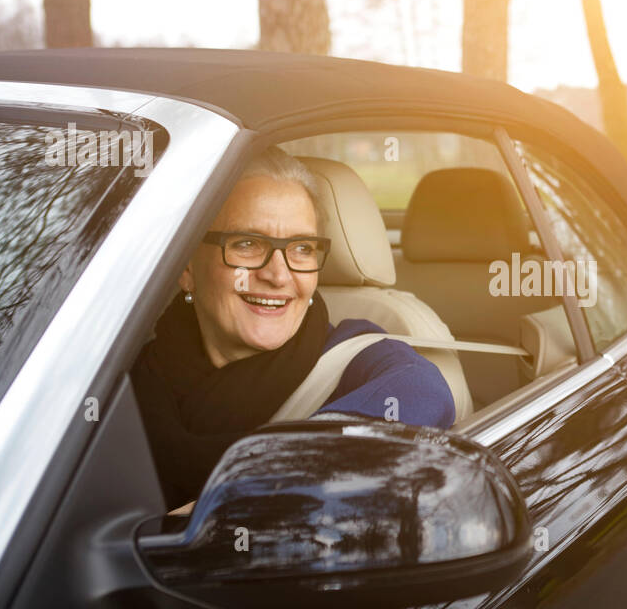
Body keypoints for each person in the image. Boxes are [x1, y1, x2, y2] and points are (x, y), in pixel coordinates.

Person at [130, 147, 455, 510]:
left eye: (302, 248)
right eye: (247, 244)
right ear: (186, 268)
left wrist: (240, 495)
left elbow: (424, 390)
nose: (278, 275)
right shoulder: (123, 376)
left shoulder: (354, 357)